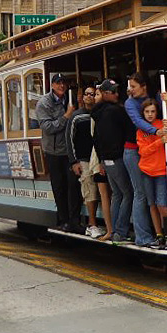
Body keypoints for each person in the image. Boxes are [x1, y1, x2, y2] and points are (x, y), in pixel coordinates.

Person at [34, 73, 82, 232]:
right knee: (59, 186)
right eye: (58, 83)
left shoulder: (70, 98)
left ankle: (75, 220)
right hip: (54, 152)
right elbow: (48, 127)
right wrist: (66, 116)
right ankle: (64, 220)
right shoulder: (43, 103)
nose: (62, 86)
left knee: (73, 184)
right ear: (52, 85)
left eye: (64, 83)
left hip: (69, 150)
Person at [90, 79, 131, 242]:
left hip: (106, 160)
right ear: (106, 94)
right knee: (128, 193)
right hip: (117, 158)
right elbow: (128, 131)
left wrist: (101, 160)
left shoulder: (98, 113)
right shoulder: (115, 111)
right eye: (113, 92)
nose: (117, 94)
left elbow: (96, 139)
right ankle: (120, 231)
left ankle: (113, 230)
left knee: (117, 195)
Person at [123, 72, 159, 247]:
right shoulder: (130, 103)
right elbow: (138, 121)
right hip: (133, 151)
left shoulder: (152, 99)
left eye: (133, 86)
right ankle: (142, 237)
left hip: (150, 152)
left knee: (149, 195)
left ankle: (154, 232)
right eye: (129, 86)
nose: (130, 90)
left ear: (143, 87)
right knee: (140, 194)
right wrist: (156, 132)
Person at [137, 94, 167, 249]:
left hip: (161, 170)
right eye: (147, 111)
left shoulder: (163, 124)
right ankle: (159, 234)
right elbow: (143, 151)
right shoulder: (142, 130)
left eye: (152, 111)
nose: (150, 114)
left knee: (162, 203)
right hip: (146, 170)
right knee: (152, 203)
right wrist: (158, 141)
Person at [68, 85, 106, 239]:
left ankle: (103, 222)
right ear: (82, 98)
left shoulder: (100, 113)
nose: (90, 97)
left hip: (98, 157)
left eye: (93, 94)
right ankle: (92, 224)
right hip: (83, 159)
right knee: (90, 190)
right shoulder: (76, 116)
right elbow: (69, 139)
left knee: (102, 190)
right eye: (87, 94)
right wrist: (73, 161)